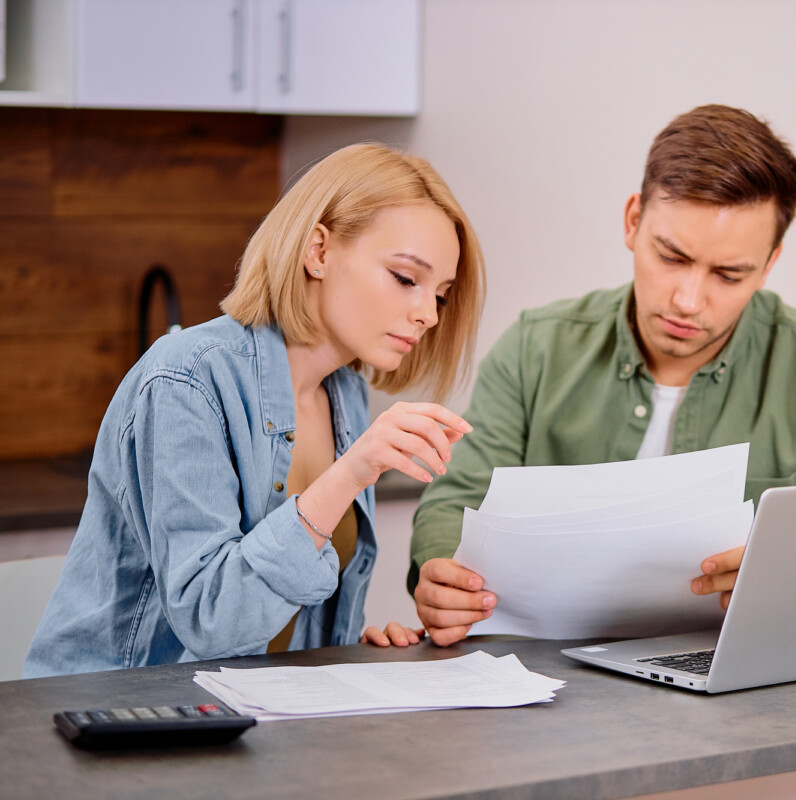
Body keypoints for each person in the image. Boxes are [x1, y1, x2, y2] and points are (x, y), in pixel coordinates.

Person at [407, 105, 796, 647]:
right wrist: (437, 573)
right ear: (634, 221)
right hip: (545, 690)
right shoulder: (536, 348)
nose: (689, 299)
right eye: (672, 257)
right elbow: (456, 504)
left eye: (729, 275)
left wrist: (794, 575)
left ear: (770, 265)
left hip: (737, 700)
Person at [24, 143, 484, 677]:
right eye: (407, 278)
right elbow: (211, 620)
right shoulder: (186, 378)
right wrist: (351, 471)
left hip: (248, 721)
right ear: (318, 251)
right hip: (118, 719)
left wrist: (353, 644)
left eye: (441, 295)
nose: (427, 313)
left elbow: (277, 618)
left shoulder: (346, 398)